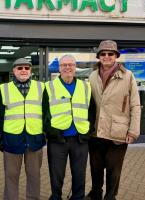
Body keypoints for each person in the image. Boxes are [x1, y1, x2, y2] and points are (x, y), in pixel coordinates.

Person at [85, 40, 141, 200]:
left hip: (118, 132)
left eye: (110, 54)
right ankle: (96, 193)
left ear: (116, 56)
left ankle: (110, 196)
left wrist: (133, 131)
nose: (107, 56)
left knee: (113, 169)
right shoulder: (92, 76)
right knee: (95, 168)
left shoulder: (128, 76)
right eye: (103, 54)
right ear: (99, 57)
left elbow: (135, 105)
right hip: (96, 132)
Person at [44, 54, 94, 200]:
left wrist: (88, 131)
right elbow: (44, 111)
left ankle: (78, 197)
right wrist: (51, 132)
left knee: (79, 173)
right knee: (56, 174)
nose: (67, 68)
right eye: (64, 65)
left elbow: (92, 111)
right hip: (58, 140)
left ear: (75, 67)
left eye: (71, 64)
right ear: (59, 68)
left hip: (80, 138)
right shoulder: (49, 87)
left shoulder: (86, 87)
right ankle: (56, 197)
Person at [0, 58, 46, 200]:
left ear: (31, 71)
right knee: (11, 175)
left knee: (34, 175)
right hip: (12, 138)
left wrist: (44, 134)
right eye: (20, 68)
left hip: (34, 138)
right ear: (13, 71)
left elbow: (46, 113)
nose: (24, 70)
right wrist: (1, 139)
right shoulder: (4, 88)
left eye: (27, 68)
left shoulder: (41, 87)